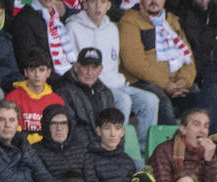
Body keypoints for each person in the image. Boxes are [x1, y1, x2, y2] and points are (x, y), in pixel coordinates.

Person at [68, 0, 159, 150]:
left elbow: (114, 61)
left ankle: (144, 153)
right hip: (94, 86)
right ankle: (117, 150)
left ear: (109, 6)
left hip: (118, 83)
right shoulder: (72, 27)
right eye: (93, 2)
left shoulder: (112, 28)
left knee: (150, 101)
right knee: (123, 100)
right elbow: (72, 65)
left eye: (103, 2)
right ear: (84, 4)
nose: (98, 6)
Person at [119, 0, 197, 123]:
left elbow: (188, 57)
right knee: (162, 102)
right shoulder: (130, 21)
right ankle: (168, 142)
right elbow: (133, 61)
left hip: (174, 83)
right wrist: (166, 84)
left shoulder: (172, 21)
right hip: (143, 82)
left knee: (196, 96)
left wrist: (184, 81)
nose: (154, 1)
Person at [148, 107, 217, 182]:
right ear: (183, 129)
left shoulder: (208, 153)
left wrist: (210, 161)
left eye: (206, 126)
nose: (203, 130)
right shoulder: (164, 151)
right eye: (196, 124)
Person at [54, 47, 116, 149]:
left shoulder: (105, 92)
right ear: (76, 67)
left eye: (94, 67)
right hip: (80, 151)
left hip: (103, 148)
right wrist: (98, 148)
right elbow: (71, 129)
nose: (89, 72)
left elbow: (115, 124)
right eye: (85, 67)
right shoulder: (63, 91)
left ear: (100, 70)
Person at [88, 106, 139, 182]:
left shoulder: (128, 161)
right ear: (98, 131)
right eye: (107, 128)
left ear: (122, 132)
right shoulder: (89, 159)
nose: (113, 134)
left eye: (117, 128)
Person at [5, 53, 64, 144]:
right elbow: (9, 129)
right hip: (20, 146)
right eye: (32, 70)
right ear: (26, 72)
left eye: (41, 70)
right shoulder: (13, 97)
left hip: (48, 148)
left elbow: (60, 131)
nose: (37, 75)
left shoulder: (57, 101)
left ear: (48, 72)